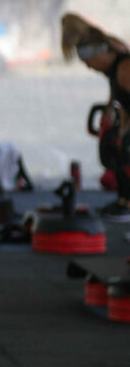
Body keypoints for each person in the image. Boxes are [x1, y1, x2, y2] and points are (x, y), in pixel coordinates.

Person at [61, 12, 130, 221]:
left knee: (126, 148)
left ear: (100, 53)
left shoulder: (125, 68)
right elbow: (122, 96)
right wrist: (113, 110)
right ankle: (124, 202)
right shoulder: (114, 68)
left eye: (88, 61)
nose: (88, 66)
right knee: (119, 146)